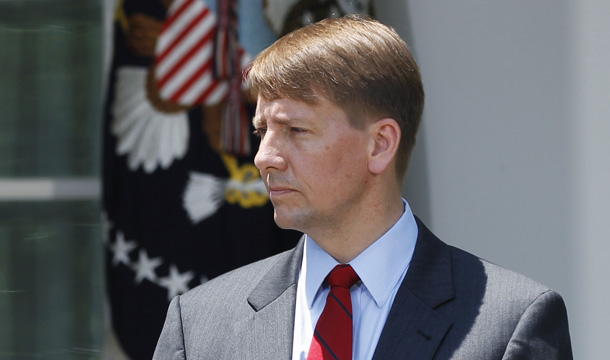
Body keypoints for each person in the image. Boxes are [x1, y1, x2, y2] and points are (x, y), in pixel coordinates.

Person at [153, 15, 573, 359]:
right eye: (262, 131)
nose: (264, 157)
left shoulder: (511, 323)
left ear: (380, 145)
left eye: (296, 129)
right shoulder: (199, 324)